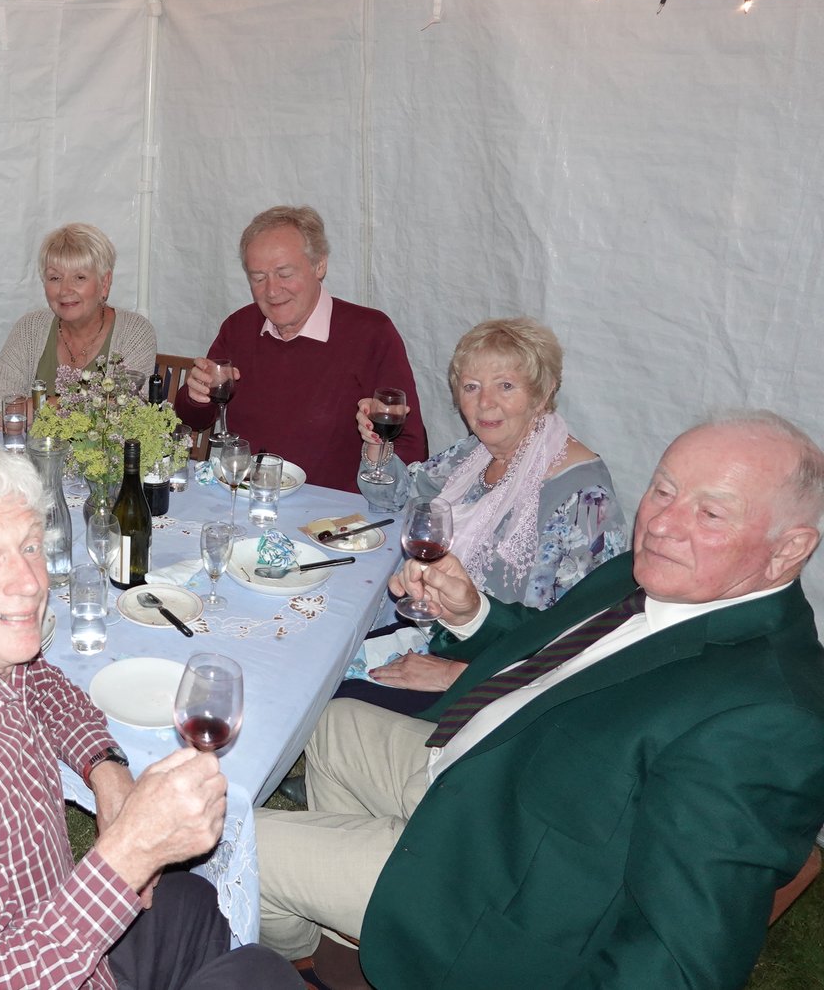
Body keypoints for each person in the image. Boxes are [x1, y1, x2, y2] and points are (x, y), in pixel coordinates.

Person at [255, 411, 824, 989]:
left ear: (789, 549)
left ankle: (290, 965)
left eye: (710, 513)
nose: (661, 524)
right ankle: (345, 953)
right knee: (334, 725)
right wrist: (472, 612)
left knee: (241, 843)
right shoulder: (651, 576)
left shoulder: (772, 715)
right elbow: (558, 650)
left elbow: (682, 960)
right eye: (664, 489)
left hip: (489, 892)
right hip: (480, 783)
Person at [0, 445, 295, 989]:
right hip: (23, 971)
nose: (29, 581)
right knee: (263, 974)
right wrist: (129, 854)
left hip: (47, 927)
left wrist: (106, 769)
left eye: (29, 546)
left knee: (195, 902)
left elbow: (42, 685)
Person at [341, 318, 628, 712]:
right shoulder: (474, 454)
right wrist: (377, 444)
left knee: (335, 704)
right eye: (471, 387)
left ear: (542, 392)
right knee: (318, 664)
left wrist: (453, 675)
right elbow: (399, 497)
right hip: (435, 637)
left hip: (499, 687)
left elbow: (585, 634)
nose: (485, 403)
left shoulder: (585, 495)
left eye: (505, 386)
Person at [173, 206, 426, 490]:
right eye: (258, 278)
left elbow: (411, 446)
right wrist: (196, 395)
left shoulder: (371, 333)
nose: (272, 290)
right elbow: (194, 420)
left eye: (284, 273)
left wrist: (378, 450)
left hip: (337, 509)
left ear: (319, 265)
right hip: (249, 497)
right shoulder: (239, 327)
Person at [0, 222, 157, 429]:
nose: (64, 290)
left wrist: (33, 408)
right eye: (55, 278)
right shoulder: (30, 328)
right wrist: (80, 404)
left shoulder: (134, 331)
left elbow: (126, 416)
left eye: (79, 277)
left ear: (105, 283)